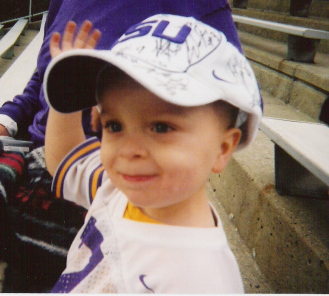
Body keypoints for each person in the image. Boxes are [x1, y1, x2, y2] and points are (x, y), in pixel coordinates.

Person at [0, 0, 245, 197]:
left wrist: (143, 132)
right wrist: (6, 118)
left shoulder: (202, 7)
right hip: (55, 153)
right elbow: (44, 74)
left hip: (94, 167)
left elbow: (228, 103)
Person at [43, 14, 262, 292]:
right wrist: (69, 89)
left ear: (222, 149)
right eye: (114, 125)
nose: (129, 150)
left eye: (161, 127)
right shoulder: (117, 189)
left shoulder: (203, 281)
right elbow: (66, 159)